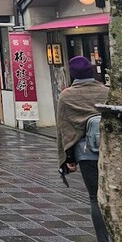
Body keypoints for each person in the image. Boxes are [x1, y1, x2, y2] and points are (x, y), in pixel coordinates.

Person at [56, 56, 109, 242]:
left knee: (95, 197)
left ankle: (103, 238)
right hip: (110, 150)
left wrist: (68, 158)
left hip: (86, 153)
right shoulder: (106, 91)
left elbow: (64, 128)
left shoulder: (66, 95)